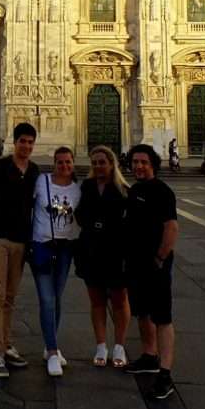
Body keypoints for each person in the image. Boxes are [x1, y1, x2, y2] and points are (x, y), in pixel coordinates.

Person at [0, 122, 39, 379]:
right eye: (22, 141)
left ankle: (5, 344)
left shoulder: (35, 171)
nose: (26, 145)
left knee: (10, 296)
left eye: (30, 142)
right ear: (14, 142)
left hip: (21, 239)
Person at [123, 144, 179, 402]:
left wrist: (160, 257)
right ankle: (149, 355)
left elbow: (171, 227)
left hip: (155, 263)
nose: (138, 166)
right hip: (135, 262)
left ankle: (165, 373)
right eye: (135, 162)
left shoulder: (162, 192)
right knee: (142, 311)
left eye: (143, 162)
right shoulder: (134, 190)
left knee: (162, 316)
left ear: (153, 164)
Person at [75, 146, 130, 370]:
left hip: (116, 251)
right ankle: (101, 346)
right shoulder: (86, 187)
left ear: (111, 164)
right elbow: (78, 214)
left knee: (119, 300)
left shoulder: (123, 190)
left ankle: (119, 346)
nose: (98, 166)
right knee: (96, 300)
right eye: (95, 163)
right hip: (91, 250)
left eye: (102, 162)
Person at [30, 146, 81, 377]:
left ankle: (52, 345)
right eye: (60, 162)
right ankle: (52, 351)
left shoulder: (79, 190)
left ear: (73, 163)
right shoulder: (41, 181)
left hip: (65, 248)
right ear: (54, 163)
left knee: (56, 298)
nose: (64, 166)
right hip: (42, 245)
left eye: (68, 162)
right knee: (48, 299)